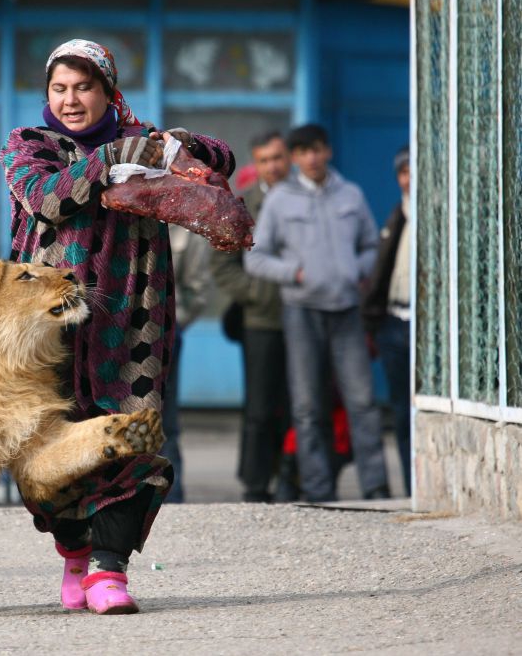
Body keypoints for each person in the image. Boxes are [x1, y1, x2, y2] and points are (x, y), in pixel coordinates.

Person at [1, 38, 235, 614]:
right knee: (47, 444)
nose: (71, 100)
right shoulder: (29, 145)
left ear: (108, 91)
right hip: (48, 326)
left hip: (134, 316)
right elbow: (47, 197)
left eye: (83, 87)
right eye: (60, 89)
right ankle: (74, 552)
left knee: (132, 434)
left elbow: (219, 158)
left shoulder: (140, 140)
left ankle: (110, 570)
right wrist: (110, 159)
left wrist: (175, 146)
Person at [245, 123, 390, 502]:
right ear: (295, 158)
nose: (311, 158)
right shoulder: (280, 200)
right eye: (303, 152)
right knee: (308, 406)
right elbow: (256, 258)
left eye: (317, 150)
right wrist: (294, 273)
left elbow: (371, 247)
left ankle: (376, 487)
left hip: (346, 312)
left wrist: (352, 270)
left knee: (362, 401)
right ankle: (318, 489)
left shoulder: (351, 195)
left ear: (327, 152)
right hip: (301, 313)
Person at [209, 130, 292, 503]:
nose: (272, 166)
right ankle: (256, 483)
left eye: (278, 157)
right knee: (260, 407)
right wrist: (259, 293)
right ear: (255, 165)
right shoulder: (243, 206)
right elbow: (223, 267)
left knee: (301, 406)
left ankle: (295, 479)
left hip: (308, 318)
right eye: (265, 160)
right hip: (261, 322)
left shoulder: (305, 200)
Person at [361, 145, 412, 496]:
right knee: (401, 411)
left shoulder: (445, 216)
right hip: (394, 321)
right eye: (404, 172)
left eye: (415, 170)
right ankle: (412, 488)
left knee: (421, 406)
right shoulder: (397, 216)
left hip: (425, 325)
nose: (410, 179)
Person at [160, 225, 212, 503]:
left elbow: (197, 288)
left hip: (166, 330)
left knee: (165, 422)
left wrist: (175, 322)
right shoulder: (120, 208)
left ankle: (171, 497)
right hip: (117, 331)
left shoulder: (183, 229)